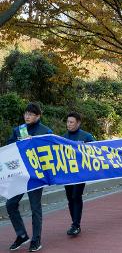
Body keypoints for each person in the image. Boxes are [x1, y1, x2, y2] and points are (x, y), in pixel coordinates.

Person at [6, 103, 53, 252]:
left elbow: (52, 153)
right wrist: (18, 143)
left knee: (35, 208)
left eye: (31, 114)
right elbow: (8, 148)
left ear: (38, 116)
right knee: (10, 204)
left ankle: (36, 240)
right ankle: (21, 235)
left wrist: (35, 144)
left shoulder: (46, 131)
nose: (27, 116)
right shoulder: (18, 130)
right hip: (19, 175)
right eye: (26, 113)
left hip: (36, 176)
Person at [63, 112, 95, 236]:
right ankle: (74, 222)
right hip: (67, 174)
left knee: (76, 196)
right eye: (67, 122)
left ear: (78, 123)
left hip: (81, 173)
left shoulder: (86, 136)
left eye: (71, 122)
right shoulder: (63, 138)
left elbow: (96, 150)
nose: (69, 124)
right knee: (70, 198)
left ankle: (76, 225)